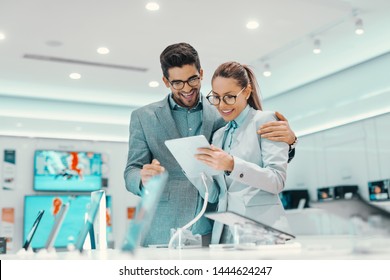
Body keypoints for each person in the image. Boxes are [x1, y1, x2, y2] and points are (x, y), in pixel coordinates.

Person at [124, 43, 296, 246]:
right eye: (178, 83)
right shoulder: (144, 117)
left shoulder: (222, 112)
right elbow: (131, 171)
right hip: (163, 225)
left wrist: (291, 142)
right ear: (165, 81)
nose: (187, 88)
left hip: (214, 226)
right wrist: (142, 179)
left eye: (192, 79)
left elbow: (258, 152)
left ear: (201, 73)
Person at [193, 61, 291, 244]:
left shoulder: (265, 121)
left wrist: (232, 165)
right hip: (226, 234)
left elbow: (277, 180)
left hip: (262, 231)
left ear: (246, 91)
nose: (222, 105)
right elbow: (217, 195)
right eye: (216, 97)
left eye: (229, 97)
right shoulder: (218, 135)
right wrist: (193, 172)